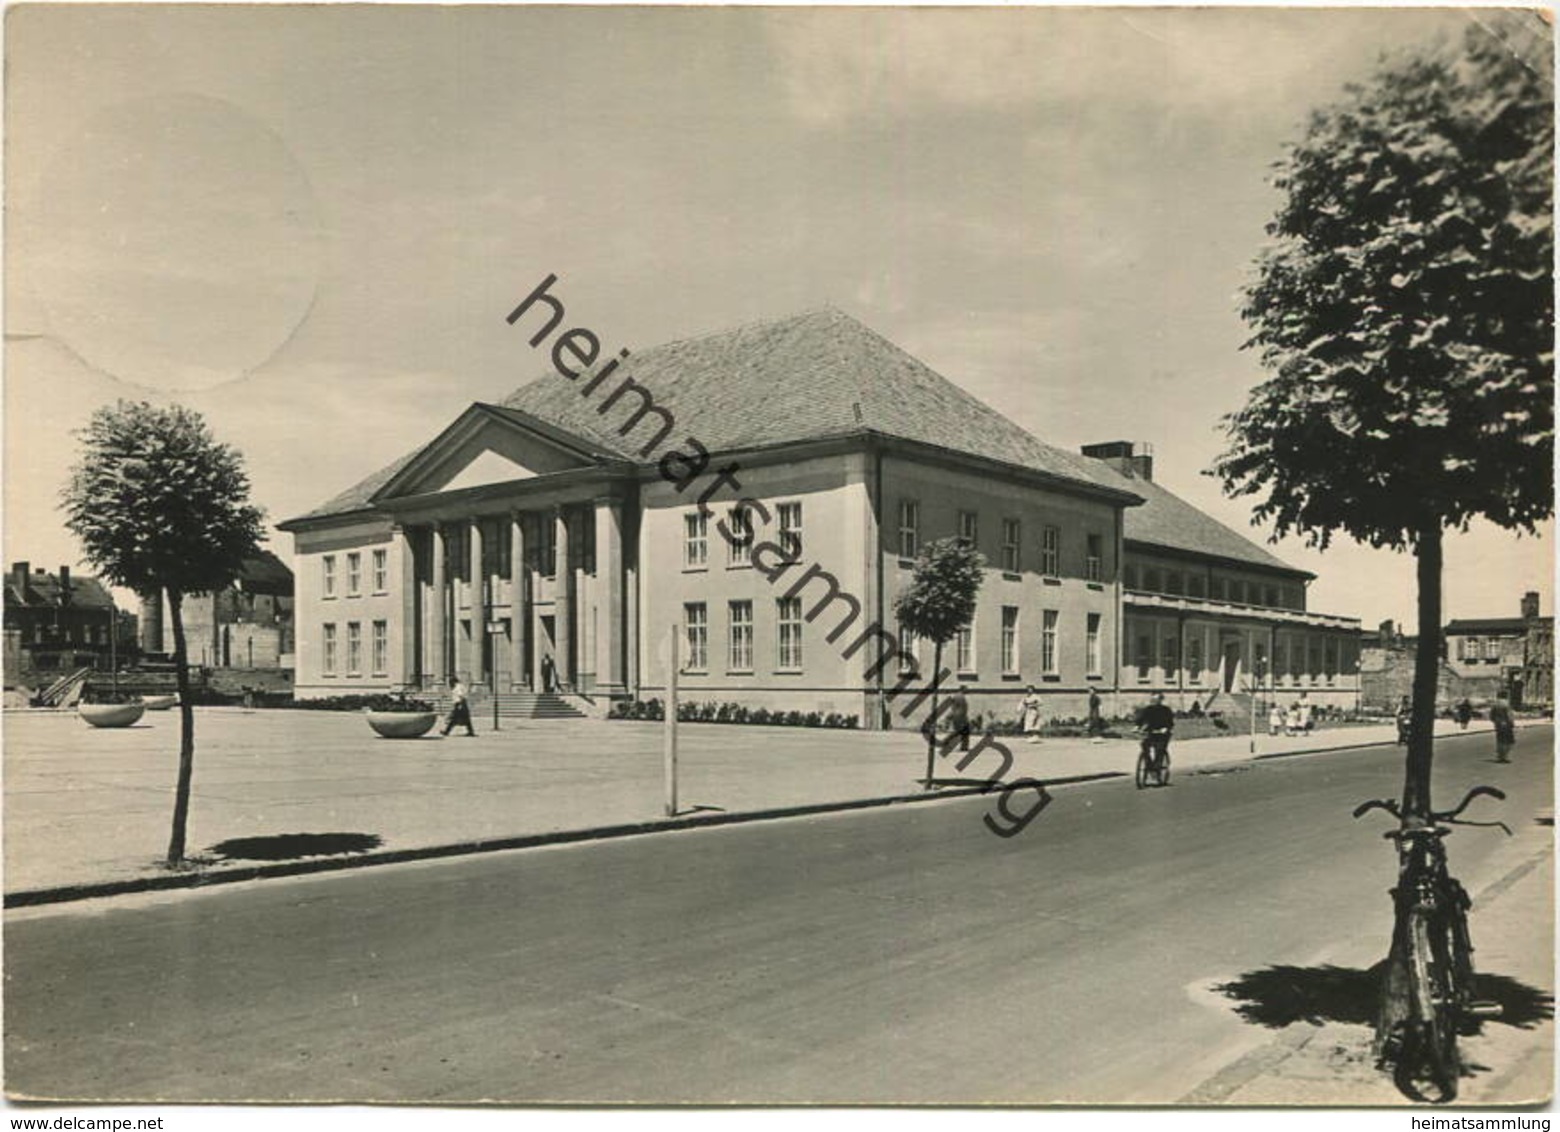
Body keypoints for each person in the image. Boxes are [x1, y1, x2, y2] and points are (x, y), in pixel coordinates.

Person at [1135, 692, 1175, 774]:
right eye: (1152, 699)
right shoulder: (1148, 709)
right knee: (1144, 744)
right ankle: (1148, 763)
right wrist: (1137, 726)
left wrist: (1166, 728)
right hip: (1151, 732)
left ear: (1160, 700)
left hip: (1163, 734)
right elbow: (1141, 719)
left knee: (1160, 748)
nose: (1154, 701)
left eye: (1156, 700)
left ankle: (1157, 766)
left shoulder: (1166, 710)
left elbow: (1170, 722)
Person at [1489, 697, 1516, 763]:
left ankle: (1500, 756)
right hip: (1506, 725)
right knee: (1508, 741)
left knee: (1500, 740)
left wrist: (1495, 721)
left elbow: (1491, 716)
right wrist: (1512, 723)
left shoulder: (1495, 705)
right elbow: (1509, 715)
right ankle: (1505, 756)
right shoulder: (1506, 705)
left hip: (1498, 725)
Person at [947, 688, 971, 753]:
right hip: (960, 717)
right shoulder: (960, 697)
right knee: (961, 732)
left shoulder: (957, 696)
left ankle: (964, 747)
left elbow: (953, 707)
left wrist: (951, 715)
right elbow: (961, 708)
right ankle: (963, 747)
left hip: (958, 717)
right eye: (966, 690)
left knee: (962, 732)